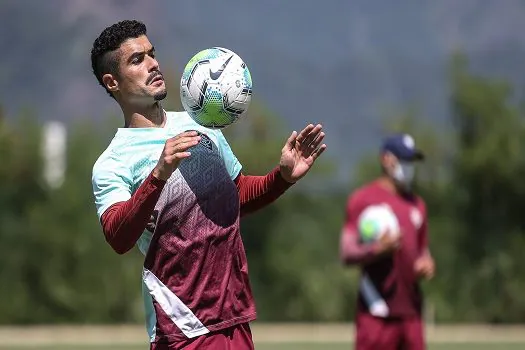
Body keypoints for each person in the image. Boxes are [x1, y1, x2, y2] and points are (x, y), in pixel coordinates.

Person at [90, 20, 326, 350]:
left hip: (235, 315)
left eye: (152, 54)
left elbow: (235, 196)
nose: (153, 64)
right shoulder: (113, 162)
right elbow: (118, 237)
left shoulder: (200, 123)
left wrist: (281, 178)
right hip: (183, 325)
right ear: (112, 82)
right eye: (137, 59)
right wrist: (158, 174)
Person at [340, 134, 435, 350]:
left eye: (411, 161)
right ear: (385, 159)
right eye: (403, 160)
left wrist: (426, 264)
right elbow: (347, 252)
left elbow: (423, 252)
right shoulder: (363, 199)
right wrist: (379, 249)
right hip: (376, 313)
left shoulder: (417, 205)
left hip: (411, 313)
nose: (408, 166)